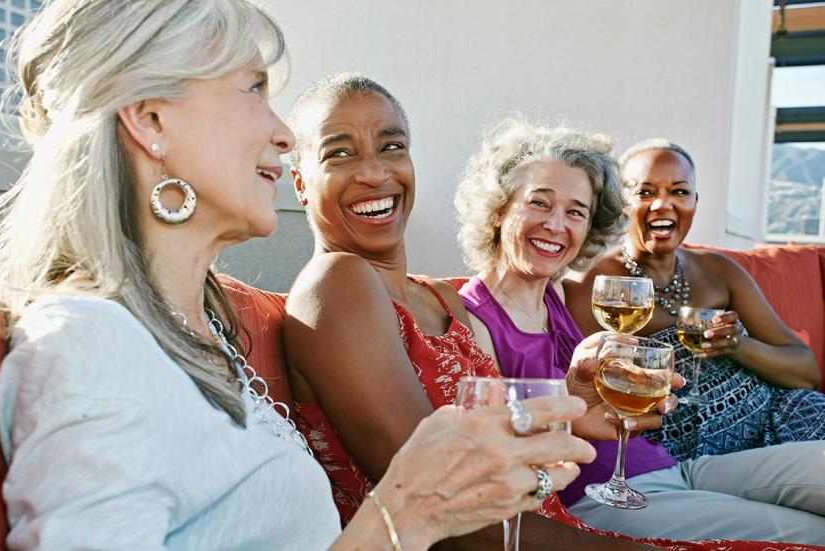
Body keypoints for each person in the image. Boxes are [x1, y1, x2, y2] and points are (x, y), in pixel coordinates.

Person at [0, 2, 597, 549]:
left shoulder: (197, 335)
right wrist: (408, 513)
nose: (280, 132)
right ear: (150, 119)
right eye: (252, 89)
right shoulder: (89, 345)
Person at [283, 73, 676, 550]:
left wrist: (569, 409)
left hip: (551, 529)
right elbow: (447, 503)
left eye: (392, 147)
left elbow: (491, 449)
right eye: (339, 153)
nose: (374, 172)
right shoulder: (336, 283)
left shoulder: (438, 298)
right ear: (301, 183)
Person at [452, 122, 825, 543]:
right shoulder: (476, 317)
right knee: (808, 534)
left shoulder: (553, 296)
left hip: (672, 467)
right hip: (601, 495)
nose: (558, 225)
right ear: (500, 208)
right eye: (540, 203)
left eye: (576, 212)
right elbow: (488, 449)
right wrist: (570, 408)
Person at [564, 139, 825, 461]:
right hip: (691, 454)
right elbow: (586, 384)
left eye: (679, 191)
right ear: (621, 204)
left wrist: (738, 346)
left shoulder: (719, 270)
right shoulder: (595, 286)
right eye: (645, 193)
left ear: (695, 202)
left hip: (782, 418)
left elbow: (806, 372)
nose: (662, 205)